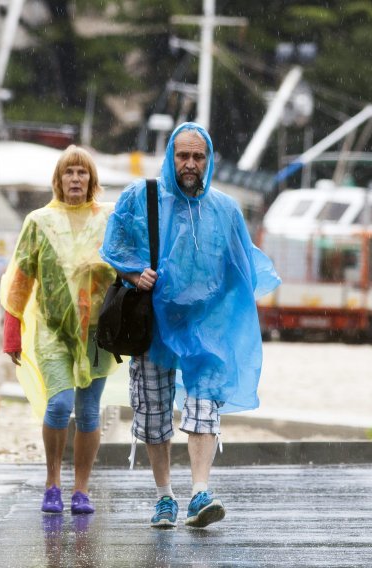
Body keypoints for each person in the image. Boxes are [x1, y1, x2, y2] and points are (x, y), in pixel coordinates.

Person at [100, 122, 280, 529]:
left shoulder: (225, 209)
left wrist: (239, 305)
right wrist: (133, 274)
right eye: (183, 155)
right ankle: (165, 496)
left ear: (209, 159)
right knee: (154, 413)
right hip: (154, 325)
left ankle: (201, 491)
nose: (191, 164)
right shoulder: (140, 197)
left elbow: (241, 266)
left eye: (199, 156)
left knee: (204, 408)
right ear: (170, 156)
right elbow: (113, 244)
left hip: (206, 328)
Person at [0, 144, 120, 515]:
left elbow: (128, 266)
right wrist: (12, 328)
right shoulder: (39, 221)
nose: (75, 179)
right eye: (69, 172)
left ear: (92, 180)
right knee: (59, 405)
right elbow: (22, 276)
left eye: (82, 172)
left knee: (88, 413)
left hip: (98, 332)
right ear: (58, 180)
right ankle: (52, 482)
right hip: (52, 330)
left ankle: (81, 489)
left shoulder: (108, 220)